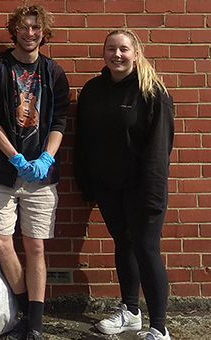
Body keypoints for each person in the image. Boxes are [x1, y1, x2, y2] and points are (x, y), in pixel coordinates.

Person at [0, 4, 70, 340]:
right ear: (14, 30)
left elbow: (59, 122)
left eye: (36, 28)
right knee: (1, 242)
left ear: (44, 33)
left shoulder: (53, 72)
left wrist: (45, 158)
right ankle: (27, 312)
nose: (30, 34)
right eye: (24, 28)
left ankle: (35, 326)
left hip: (41, 177)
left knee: (36, 246)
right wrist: (15, 158)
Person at [74, 30, 174, 340]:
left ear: (136, 53)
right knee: (123, 244)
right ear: (103, 53)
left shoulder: (152, 92)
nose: (117, 55)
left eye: (124, 49)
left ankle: (159, 327)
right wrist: (86, 182)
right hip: (108, 188)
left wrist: (154, 195)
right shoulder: (92, 90)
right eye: (111, 49)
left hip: (143, 189)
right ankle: (130, 311)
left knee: (146, 249)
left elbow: (159, 148)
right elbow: (84, 140)